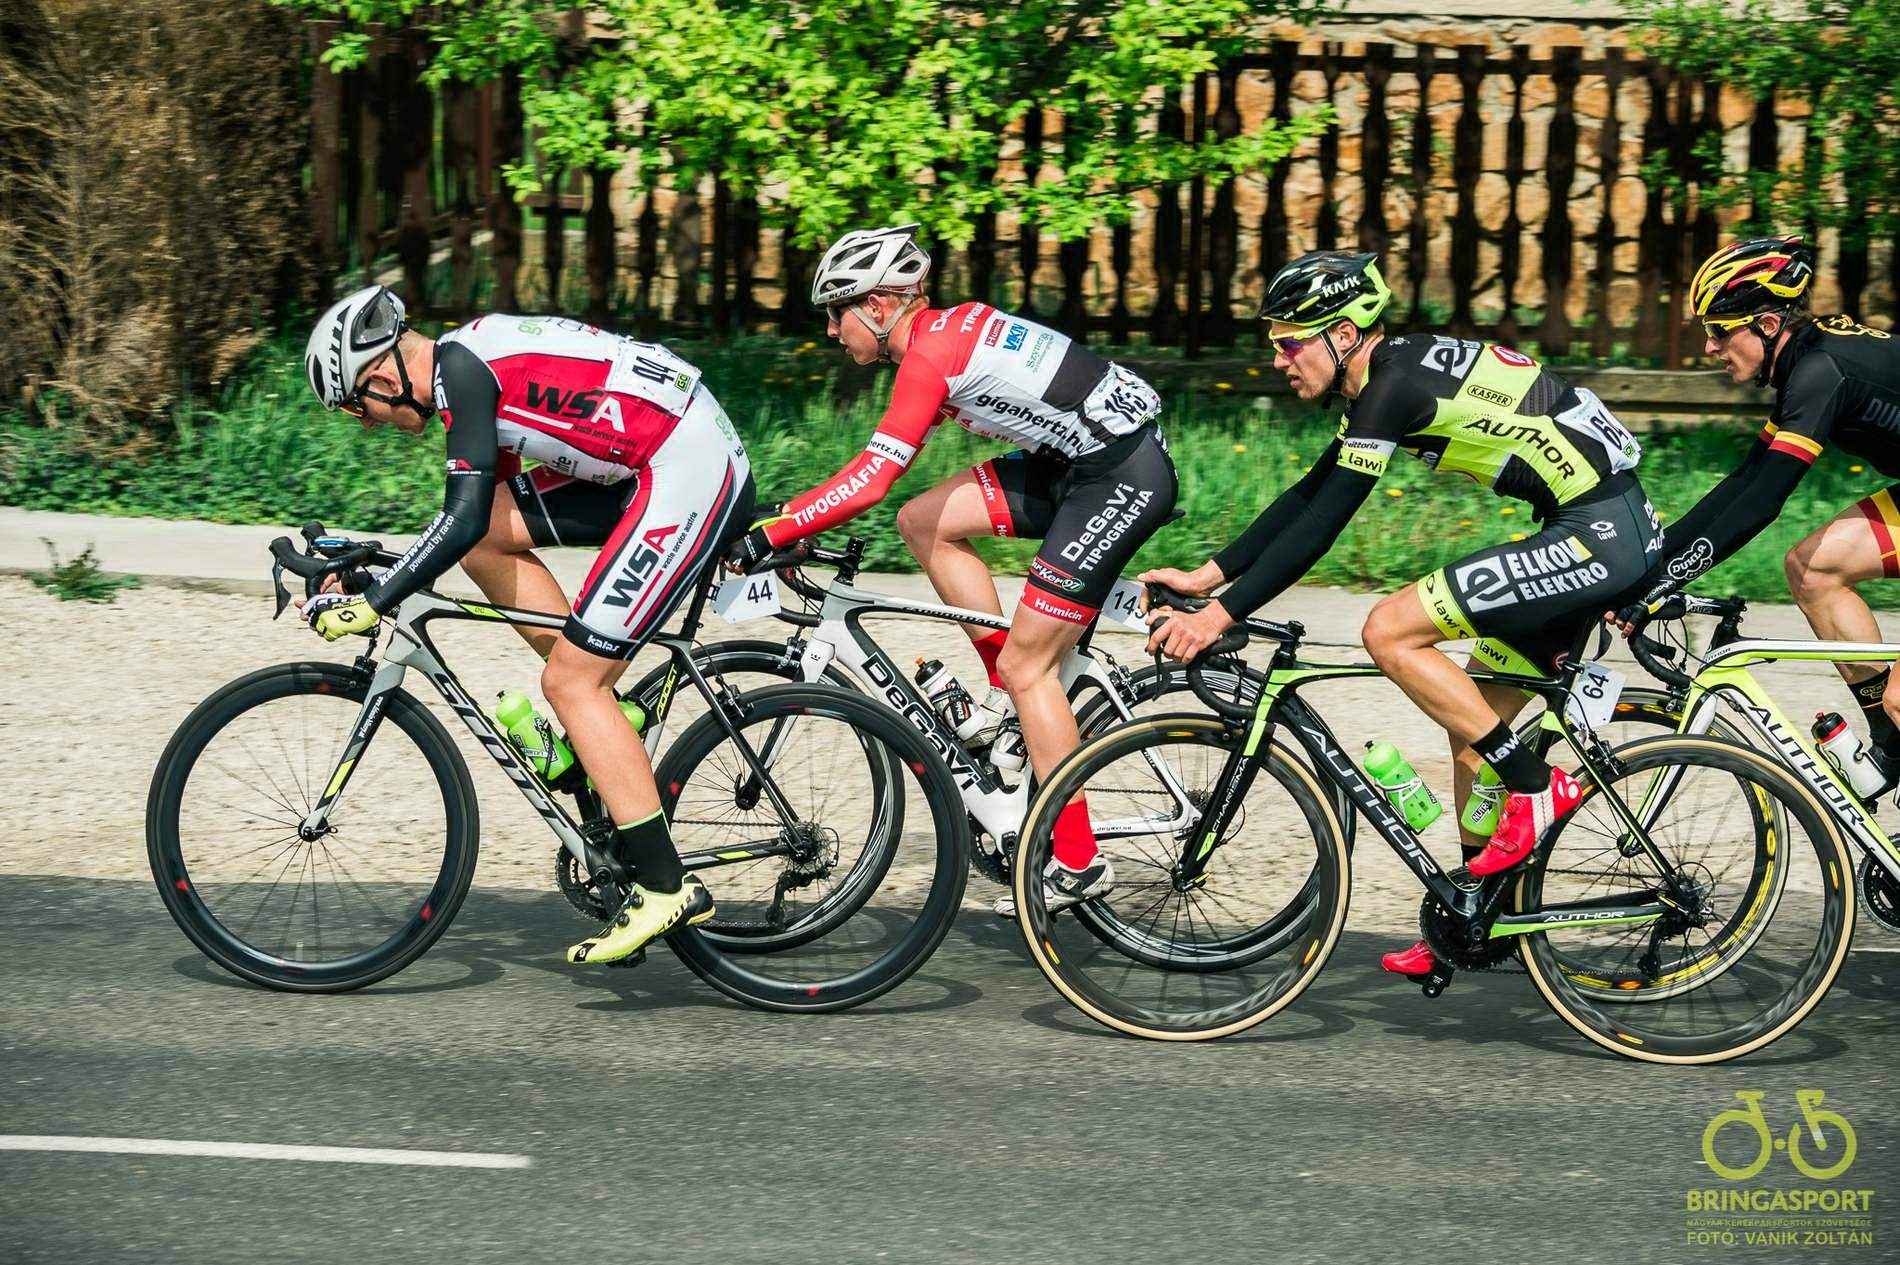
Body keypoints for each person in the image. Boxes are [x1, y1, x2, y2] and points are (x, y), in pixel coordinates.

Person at [1139, 250, 1661, 978]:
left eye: (1290, 343)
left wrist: (1216, 617)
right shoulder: (1384, 379)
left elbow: (1326, 525)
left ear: (1343, 335)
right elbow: (1311, 493)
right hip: (1596, 527)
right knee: (1473, 732)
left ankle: (1539, 790)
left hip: (1598, 534)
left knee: (1389, 630)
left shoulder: (1393, 386)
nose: (1279, 360)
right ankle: (1476, 915)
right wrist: (1209, 575)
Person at [723, 224, 1179, 915]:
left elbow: (872, 481)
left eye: (836, 312)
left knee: (1031, 668)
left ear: (878, 306)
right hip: (1079, 463)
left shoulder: (931, 356)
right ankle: (1007, 705)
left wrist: (776, 534)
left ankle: (1078, 860)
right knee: (923, 521)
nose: (830, 330)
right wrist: (791, 513)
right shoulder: (939, 338)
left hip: (1116, 475)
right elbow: (874, 468)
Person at [300, 286, 753, 965]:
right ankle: (605, 712)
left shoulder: (463, 375)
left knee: (570, 682)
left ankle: (665, 887)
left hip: (685, 468)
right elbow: (472, 524)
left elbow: (455, 520)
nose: (366, 424)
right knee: (492, 543)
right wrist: (378, 572)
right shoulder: (464, 365)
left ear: (385, 379)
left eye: (356, 407)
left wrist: (377, 600)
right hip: (655, 455)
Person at [1618, 235, 1900, 783]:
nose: (1709, 348)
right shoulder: (1807, 363)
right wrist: (1647, 566)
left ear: (1767, 325)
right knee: (1812, 569)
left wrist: (1663, 582)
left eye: (1719, 331)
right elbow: (1746, 481)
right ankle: (1891, 745)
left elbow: (1766, 500)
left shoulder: (1821, 372)